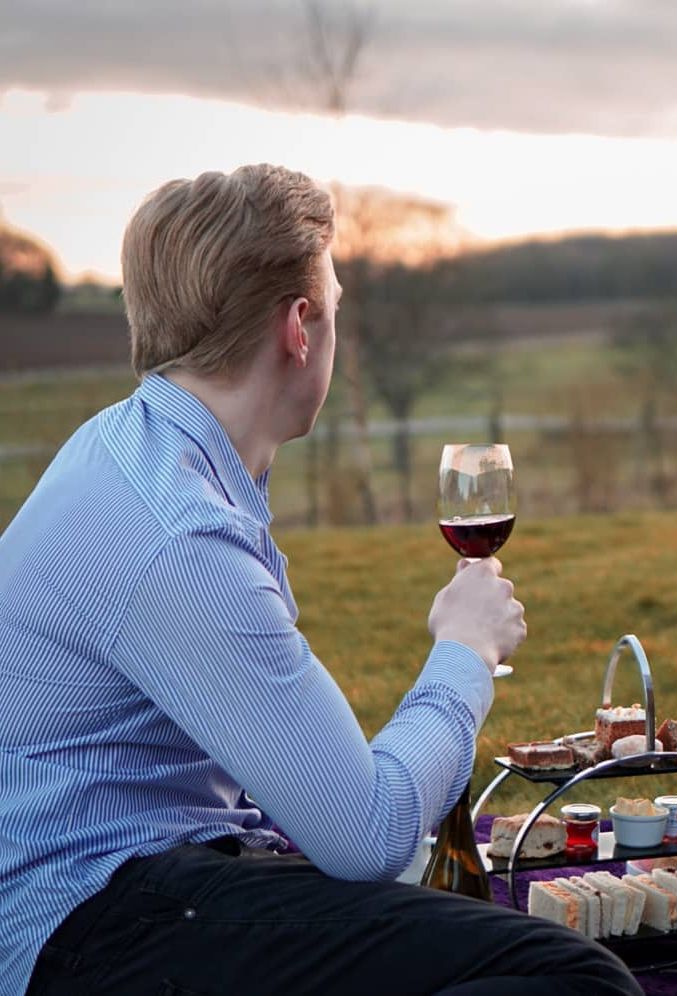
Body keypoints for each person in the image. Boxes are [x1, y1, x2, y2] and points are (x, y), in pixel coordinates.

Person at [0, 164, 642, 995]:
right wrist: (465, 650)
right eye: (334, 306)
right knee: (567, 978)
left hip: (129, 889)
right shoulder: (179, 533)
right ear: (298, 327)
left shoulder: (132, 450)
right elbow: (367, 835)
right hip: (91, 925)